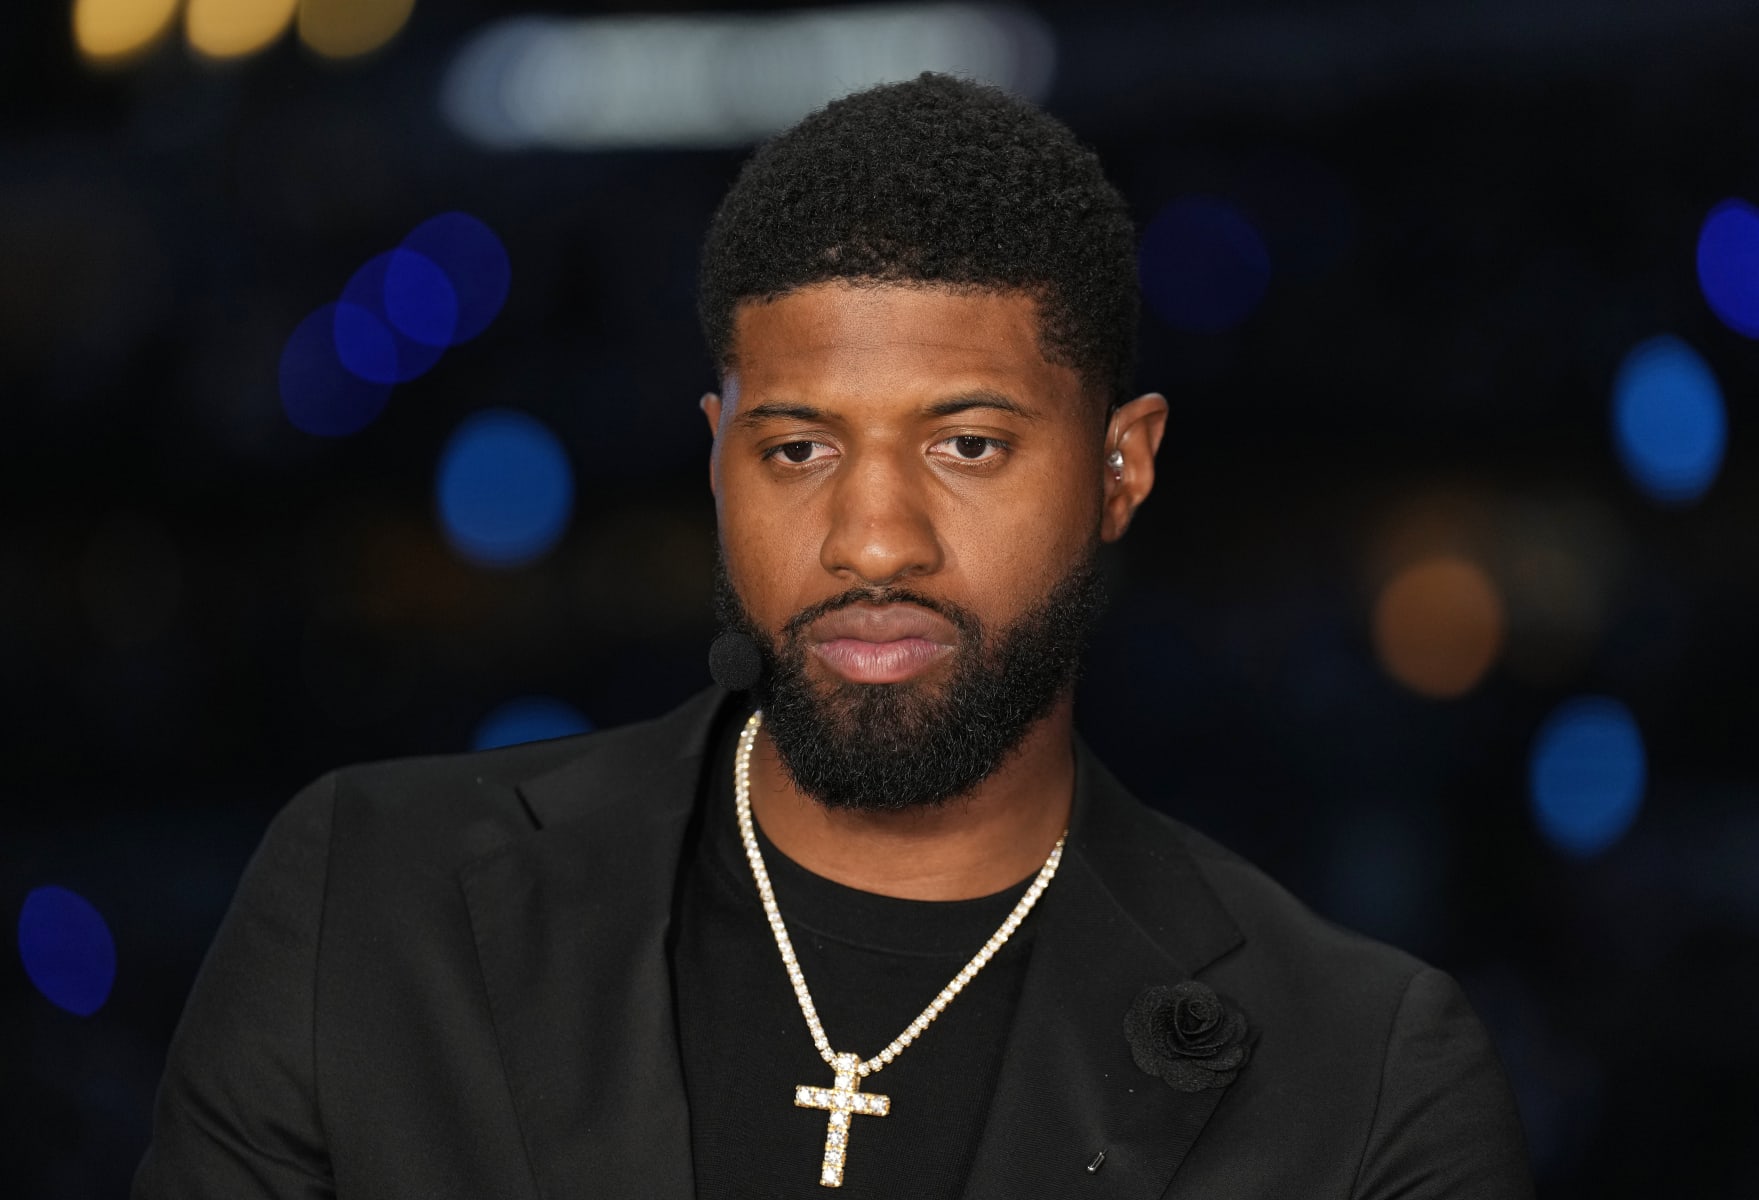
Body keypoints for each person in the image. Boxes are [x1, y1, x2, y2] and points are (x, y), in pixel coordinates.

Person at [134, 73, 1533, 1199]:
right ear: (716, 456)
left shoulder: (1360, 1078)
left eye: (970, 445)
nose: (872, 540)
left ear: (1122, 468)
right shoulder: (372, 902)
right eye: (798, 448)